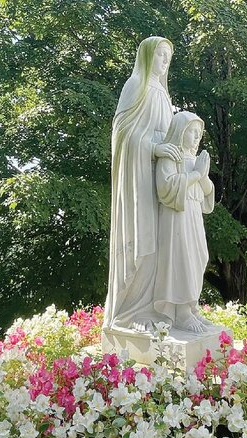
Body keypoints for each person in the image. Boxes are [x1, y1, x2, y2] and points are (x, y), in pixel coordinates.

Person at [104, 36, 181, 334]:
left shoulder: (163, 94)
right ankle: (129, 313)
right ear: (148, 56)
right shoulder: (135, 86)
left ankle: (153, 308)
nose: (164, 61)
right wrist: (153, 148)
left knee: (161, 246)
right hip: (137, 179)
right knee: (142, 244)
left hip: (159, 181)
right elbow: (122, 135)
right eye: (160, 55)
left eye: (168, 57)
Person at [152, 111, 215, 332]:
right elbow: (165, 187)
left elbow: (207, 192)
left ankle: (192, 308)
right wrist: (196, 174)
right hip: (176, 217)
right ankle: (182, 314)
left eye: (199, 133)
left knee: (199, 257)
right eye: (192, 132)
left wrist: (204, 176)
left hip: (194, 215)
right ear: (180, 131)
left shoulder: (195, 160)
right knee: (182, 260)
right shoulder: (171, 156)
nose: (197, 137)